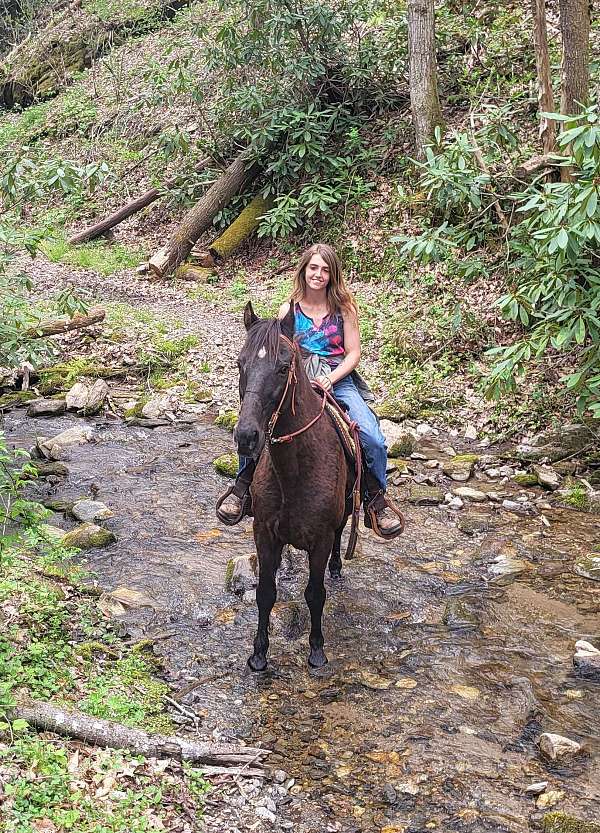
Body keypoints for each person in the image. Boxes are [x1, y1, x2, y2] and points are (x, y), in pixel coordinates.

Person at [217, 242, 404, 538]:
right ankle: (243, 488)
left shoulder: (344, 309)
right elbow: (279, 351)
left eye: (325, 270)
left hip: (336, 378)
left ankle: (375, 499)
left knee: (371, 435)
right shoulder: (288, 309)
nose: (318, 274)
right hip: (298, 378)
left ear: (332, 274)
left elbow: (353, 353)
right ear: (304, 270)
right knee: (256, 420)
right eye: (313, 268)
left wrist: (332, 378)